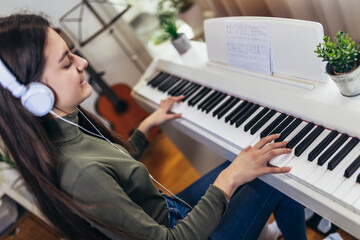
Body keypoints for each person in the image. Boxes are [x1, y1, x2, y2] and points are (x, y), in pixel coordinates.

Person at [0, 13, 307, 240]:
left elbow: (117, 168)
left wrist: (148, 124)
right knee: (273, 165)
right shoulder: (79, 174)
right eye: (66, 63)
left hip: (172, 211)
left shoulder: (66, 125)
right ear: (33, 97)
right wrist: (229, 179)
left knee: (256, 157)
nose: (81, 62)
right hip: (181, 232)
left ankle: (269, 232)